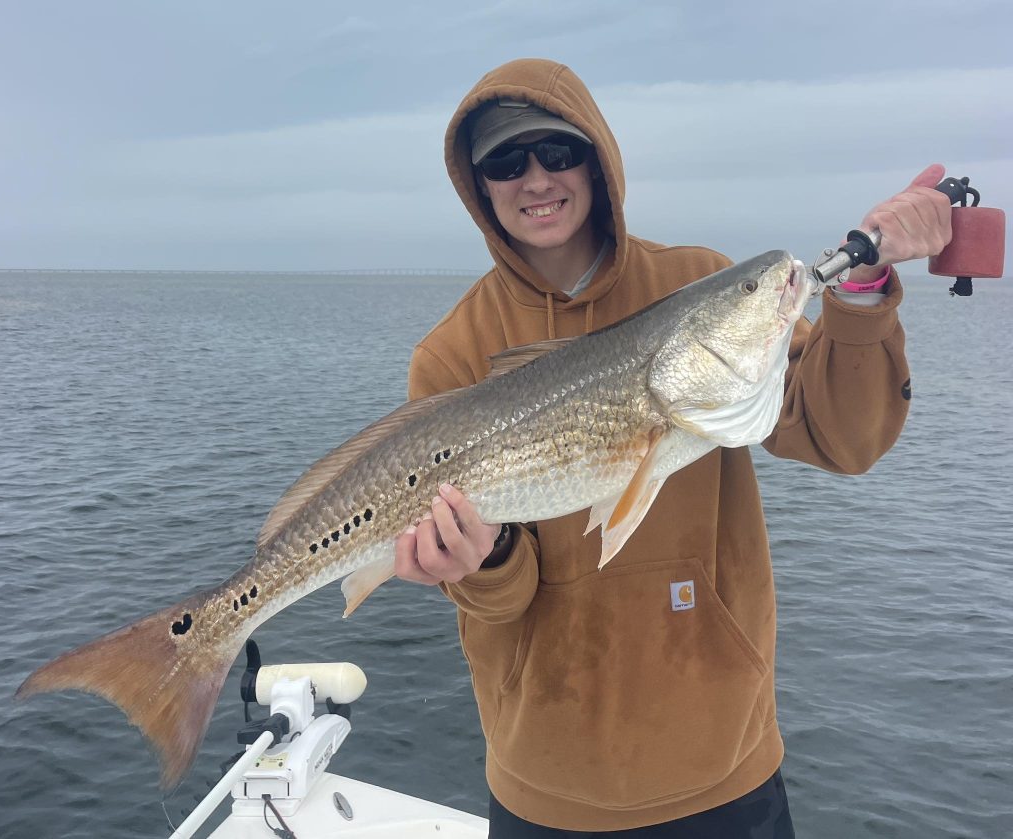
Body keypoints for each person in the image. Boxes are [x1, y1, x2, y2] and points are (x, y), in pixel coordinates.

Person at [393, 58, 952, 837]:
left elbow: (843, 436)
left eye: (556, 151)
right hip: (546, 786)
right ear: (477, 185)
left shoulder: (700, 281)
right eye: (504, 162)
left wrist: (859, 297)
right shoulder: (453, 354)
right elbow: (501, 599)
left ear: (595, 158)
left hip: (725, 770)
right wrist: (477, 561)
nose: (535, 178)